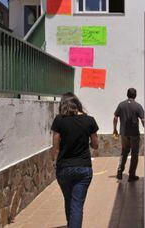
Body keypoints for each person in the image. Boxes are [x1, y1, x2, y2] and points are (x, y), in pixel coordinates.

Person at [51, 92, 99, 228]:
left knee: (68, 200)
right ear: (78, 104)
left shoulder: (59, 120)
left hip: (64, 168)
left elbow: (55, 146)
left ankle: (70, 224)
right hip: (83, 168)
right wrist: (88, 144)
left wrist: (56, 159)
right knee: (77, 203)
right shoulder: (89, 120)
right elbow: (95, 144)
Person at [113, 88, 145, 182]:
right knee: (134, 154)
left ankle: (119, 171)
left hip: (123, 133)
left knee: (124, 152)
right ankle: (131, 175)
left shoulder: (121, 105)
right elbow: (143, 119)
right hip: (134, 134)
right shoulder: (138, 106)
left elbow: (115, 117)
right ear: (135, 95)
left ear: (127, 94)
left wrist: (114, 129)